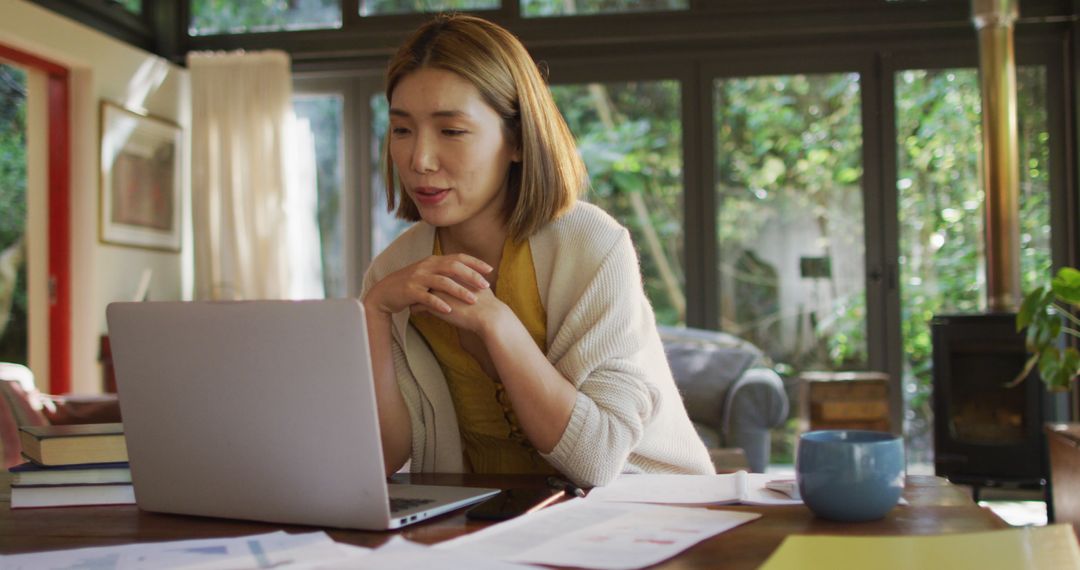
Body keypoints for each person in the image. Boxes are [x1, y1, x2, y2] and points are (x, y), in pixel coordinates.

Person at [360, 13, 713, 487]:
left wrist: (495, 321)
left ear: (519, 140)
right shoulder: (394, 272)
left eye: (451, 131)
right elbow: (385, 458)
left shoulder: (592, 244)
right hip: (491, 524)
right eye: (402, 130)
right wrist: (374, 313)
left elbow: (597, 460)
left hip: (643, 508)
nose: (419, 160)